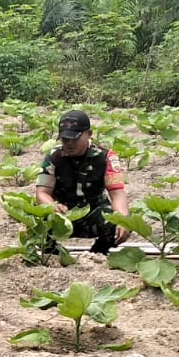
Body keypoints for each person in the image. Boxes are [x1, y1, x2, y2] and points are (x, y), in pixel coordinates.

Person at [34, 109, 131, 255]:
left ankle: (97, 254)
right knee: (35, 221)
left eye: (75, 138)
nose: (70, 143)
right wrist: (51, 205)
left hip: (92, 212)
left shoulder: (105, 157)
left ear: (89, 134)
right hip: (62, 215)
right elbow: (42, 193)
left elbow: (117, 194)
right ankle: (52, 255)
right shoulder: (54, 156)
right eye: (65, 139)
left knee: (117, 222)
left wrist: (123, 219)